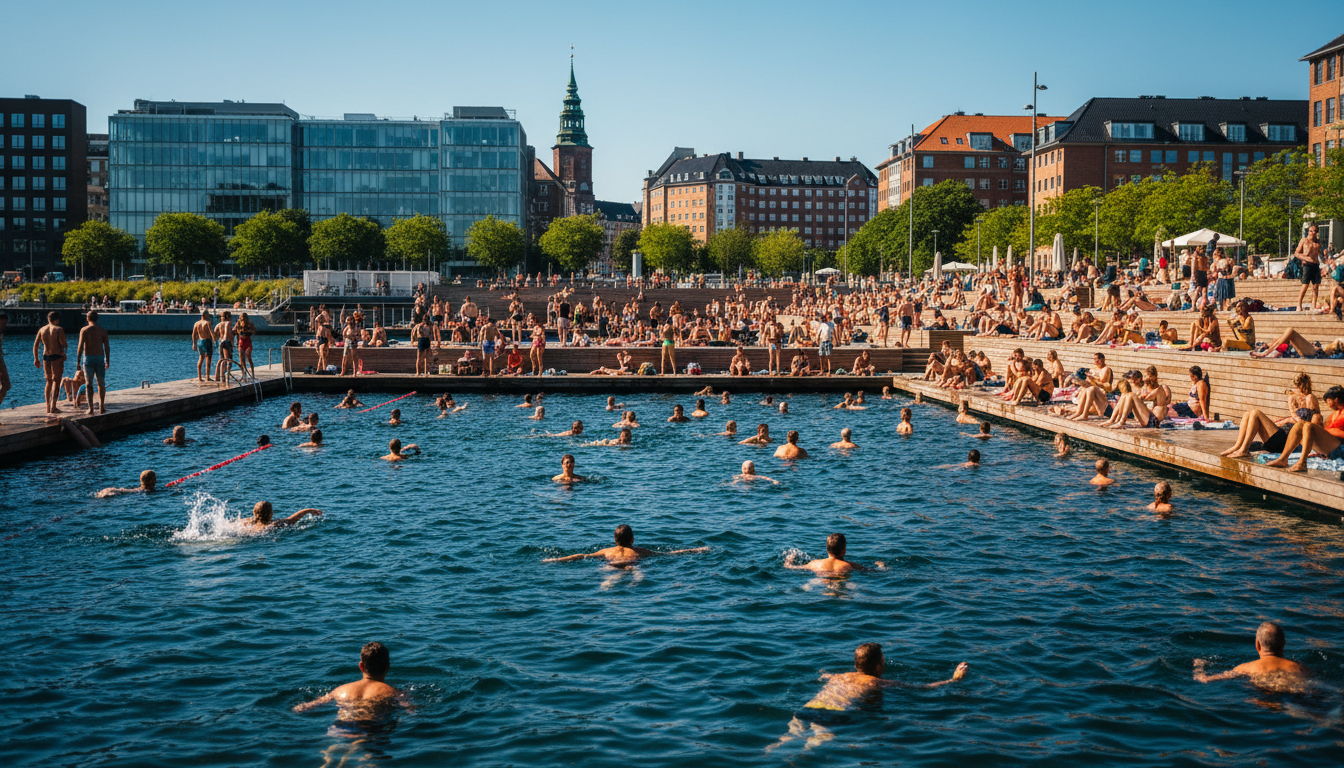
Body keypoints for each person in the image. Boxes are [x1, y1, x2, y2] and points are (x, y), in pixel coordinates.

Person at [772, 643, 967, 748]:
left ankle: (768, 753)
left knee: (786, 739)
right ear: (877, 666)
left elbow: (824, 675)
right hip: (834, 715)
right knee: (812, 747)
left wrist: (824, 672)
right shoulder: (876, 682)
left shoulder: (841, 676)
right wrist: (953, 680)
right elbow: (923, 687)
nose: (885, 663)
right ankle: (797, 759)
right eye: (883, 660)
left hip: (809, 708)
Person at [293, 642, 407, 716]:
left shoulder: (340, 690)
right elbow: (411, 712)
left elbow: (305, 707)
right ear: (387, 667)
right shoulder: (392, 692)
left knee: (331, 751)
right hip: (371, 730)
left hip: (339, 728)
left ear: (361, 666)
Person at [1220, 373, 1318, 458]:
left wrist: (1288, 420)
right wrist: (1284, 419)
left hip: (1286, 441)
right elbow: (1293, 417)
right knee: (1247, 414)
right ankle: (1238, 446)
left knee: (1256, 413)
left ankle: (1243, 449)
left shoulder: (1310, 398)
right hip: (1279, 439)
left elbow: (1309, 423)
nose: (1295, 389)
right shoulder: (1295, 399)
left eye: (1296, 386)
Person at [1193, 622, 1311, 683]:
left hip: (1263, 700)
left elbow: (1204, 679)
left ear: (1257, 645)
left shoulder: (1244, 669)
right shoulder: (1300, 667)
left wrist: (1198, 665)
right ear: (1284, 642)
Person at [1264, 385, 1344, 472]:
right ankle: (1283, 458)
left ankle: (1302, 462)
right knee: (1301, 424)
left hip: (1339, 448)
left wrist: (1335, 432)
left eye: (1328, 401)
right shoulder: (1333, 415)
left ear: (1336, 399)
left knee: (1309, 426)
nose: (1328, 404)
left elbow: (1334, 433)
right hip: (1328, 447)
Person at [543, 524, 707, 563]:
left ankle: (607, 584)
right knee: (635, 573)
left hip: (612, 563)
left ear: (615, 540)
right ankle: (636, 579)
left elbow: (581, 556)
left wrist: (556, 560)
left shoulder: (607, 551)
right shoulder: (640, 551)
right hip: (632, 562)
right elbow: (668, 554)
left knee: (608, 578)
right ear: (633, 539)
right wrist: (697, 549)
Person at [33, 311, 68, 416]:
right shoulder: (58, 329)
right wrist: (63, 352)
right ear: (56, 320)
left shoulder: (42, 329)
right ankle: (53, 407)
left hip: (45, 357)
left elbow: (35, 346)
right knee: (56, 381)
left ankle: (48, 407)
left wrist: (36, 358)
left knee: (48, 381)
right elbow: (63, 344)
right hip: (56, 356)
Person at [76, 310, 110, 416]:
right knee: (101, 383)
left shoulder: (84, 330)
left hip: (88, 359)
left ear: (88, 318)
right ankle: (102, 406)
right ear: (97, 318)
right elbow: (107, 348)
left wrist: (78, 361)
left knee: (88, 384)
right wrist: (107, 360)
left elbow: (80, 346)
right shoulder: (103, 331)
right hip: (100, 358)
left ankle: (90, 408)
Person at [1295, 223, 1323, 312]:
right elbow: (1296, 253)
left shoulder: (1318, 242)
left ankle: (1313, 305)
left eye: (1315, 231)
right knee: (1305, 285)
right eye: (1311, 231)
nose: (1313, 233)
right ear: (1308, 232)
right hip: (1307, 265)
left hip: (1316, 264)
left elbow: (1319, 254)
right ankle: (1299, 304)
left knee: (1315, 286)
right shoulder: (1304, 241)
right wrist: (1304, 257)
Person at [245, 501, 323, 529]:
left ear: (254, 512)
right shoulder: (273, 525)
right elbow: (292, 520)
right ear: (271, 513)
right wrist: (308, 510)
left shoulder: (247, 522)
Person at [191, 310, 215, 382]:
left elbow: (193, 334)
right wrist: (214, 341)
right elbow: (211, 332)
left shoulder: (196, 323)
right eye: (208, 315)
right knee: (208, 359)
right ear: (205, 315)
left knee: (201, 358)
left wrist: (194, 343)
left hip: (200, 341)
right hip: (206, 341)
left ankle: (199, 377)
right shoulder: (207, 323)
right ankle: (207, 377)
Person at [235, 313, 257, 379]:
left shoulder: (249, 323)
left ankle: (252, 373)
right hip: (241, 341)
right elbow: (234, 330)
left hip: (247, 341)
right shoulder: (239, 323)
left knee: (248, 357)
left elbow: (255, 330)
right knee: (242, 359)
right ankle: (243, 374)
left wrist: (249, 330)